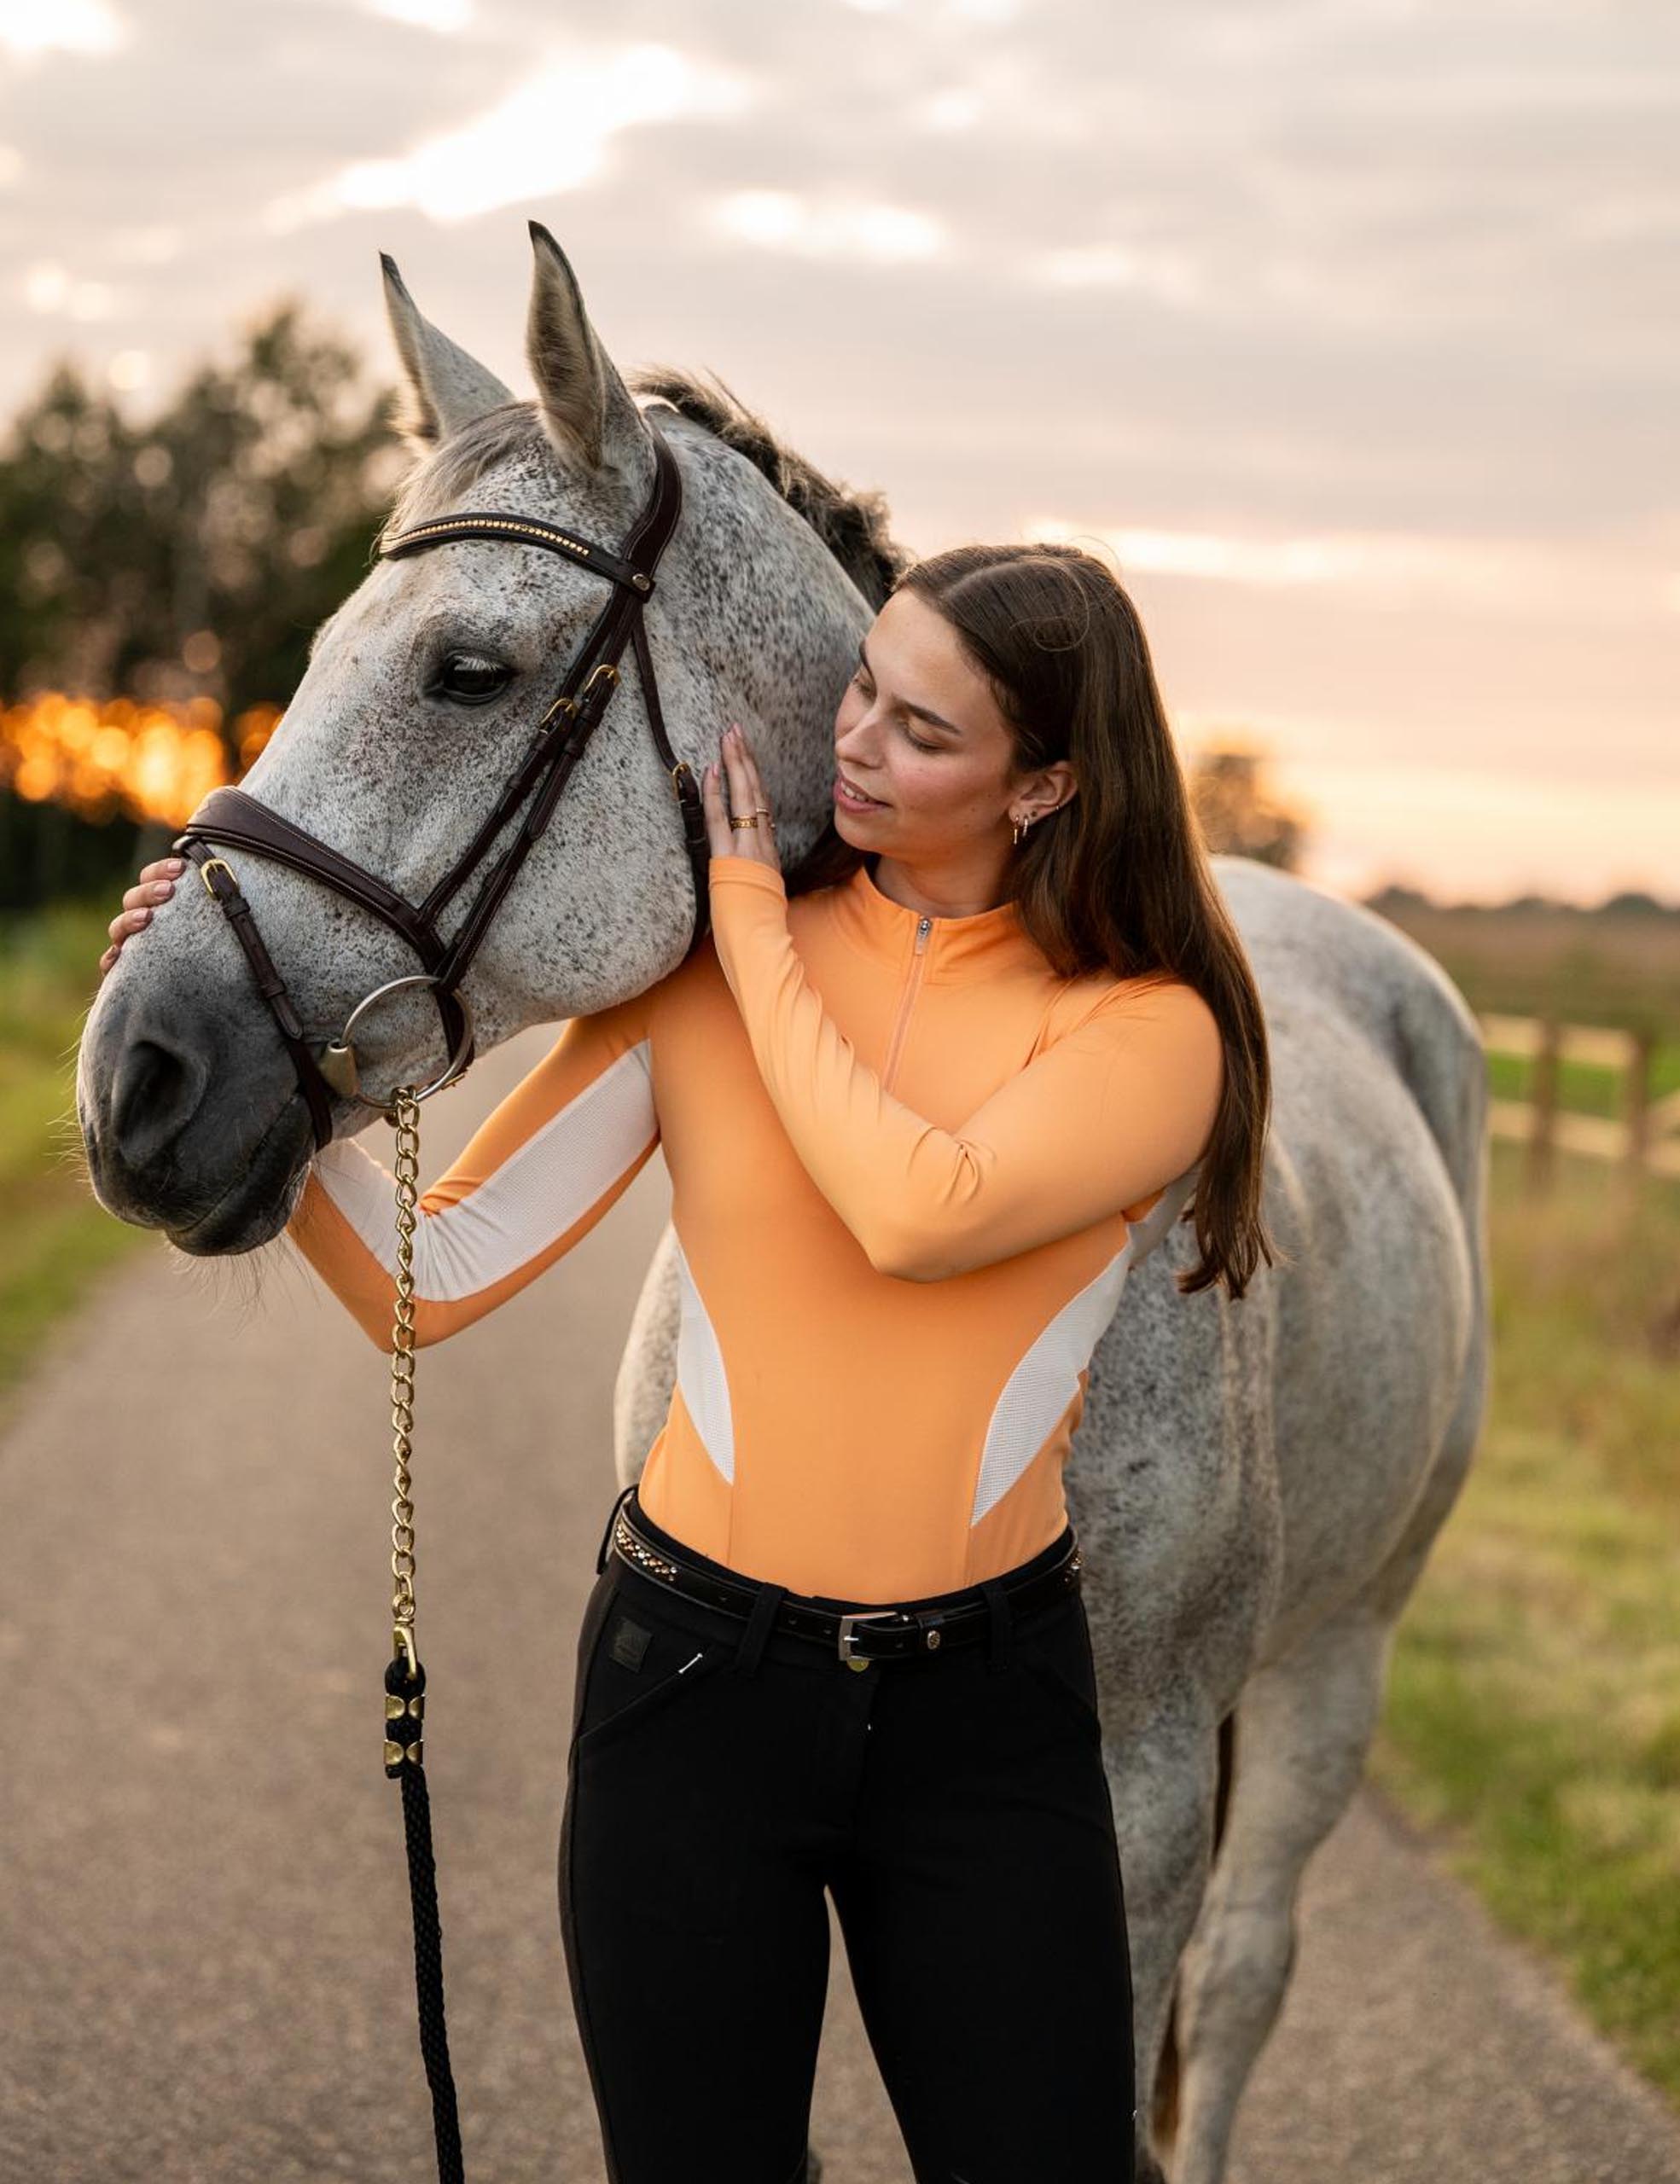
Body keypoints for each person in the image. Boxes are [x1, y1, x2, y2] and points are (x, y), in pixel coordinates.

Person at [102, 542, 1275, 2184]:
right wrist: (261, 1072)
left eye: (924, 733)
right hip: (691, 1699)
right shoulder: (699, 985)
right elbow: (427, 1277)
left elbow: (918, 1215)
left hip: (985, 1729)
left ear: (1048, 784)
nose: (856, 742)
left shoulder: (1147, 1030)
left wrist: (747, 932)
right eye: (865, 688)